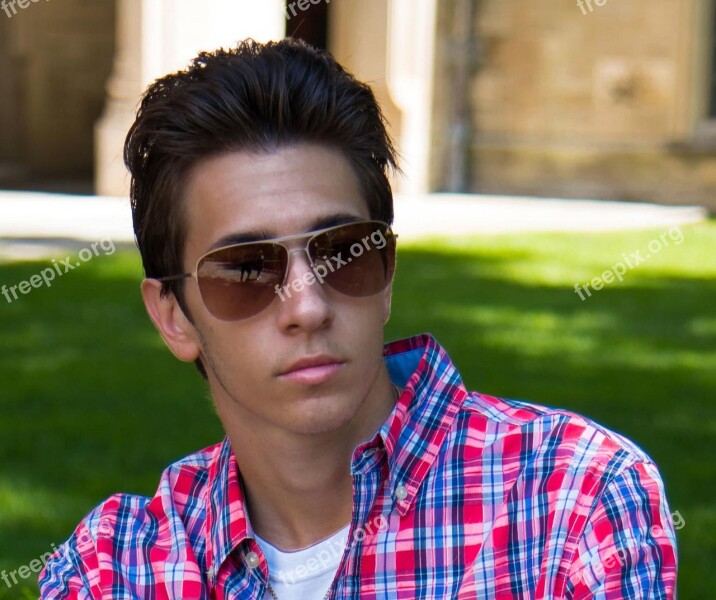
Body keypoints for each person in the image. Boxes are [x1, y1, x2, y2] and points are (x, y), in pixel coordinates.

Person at [39, 38, 677, 599]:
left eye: (343, 254)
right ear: (173, 316)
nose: (308, 307)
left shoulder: (574, 498)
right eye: (245, 270)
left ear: (389, 273)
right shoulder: (115, 565)